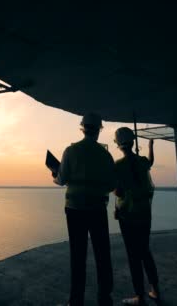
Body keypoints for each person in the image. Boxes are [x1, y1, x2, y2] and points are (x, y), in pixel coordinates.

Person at [52, 112, 116, 306]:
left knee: (77, 256)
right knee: (102, 254)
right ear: (98, 131)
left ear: (82, 128)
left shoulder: (70, 151)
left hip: (75, 209)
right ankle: (104, 299)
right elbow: (112, 185)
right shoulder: (105, 155)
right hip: (97, 209)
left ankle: (76, 301)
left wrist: (55, 175)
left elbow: (61, 180)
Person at [113, 127, 160, 305]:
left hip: (127, 215)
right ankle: (155, 290)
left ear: (118, 145)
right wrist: (150, 146)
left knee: (133, 255)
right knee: (145, 251)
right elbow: (150, 161)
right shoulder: (141, 162)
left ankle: (140, 296)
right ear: (133, 142)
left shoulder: (117, 166)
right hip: (145, 213)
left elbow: (118, 192)